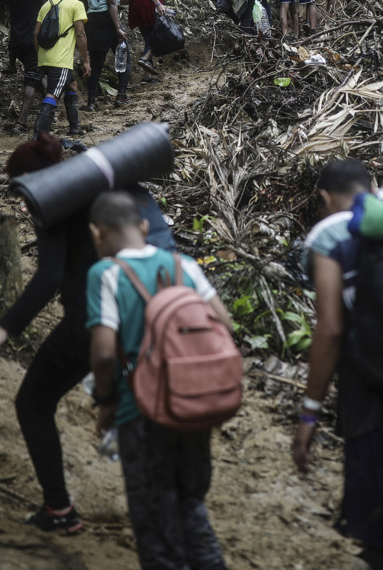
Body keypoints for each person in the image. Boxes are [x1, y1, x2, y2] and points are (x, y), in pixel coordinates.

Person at [0, 139, 175, 535]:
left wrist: (4, 327)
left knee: (33, 403)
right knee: (143, 413)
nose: (23, 200)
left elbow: (49, 276)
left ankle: (59, 510)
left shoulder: (51, 199)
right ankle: (169, 512)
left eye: (20, 189)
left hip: (92, 322)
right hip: (148, 319)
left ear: (28, 180)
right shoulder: (102, 188)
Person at [292, 160, 383, 570]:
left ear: (326, 197)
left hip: (374, 394)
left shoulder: (331, 234)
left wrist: (309, 414)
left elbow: (330, 329)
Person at [86, 190, 232, 570]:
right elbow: (225, 324)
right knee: (190, 503)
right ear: (143, 226)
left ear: (97, 232)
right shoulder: (184, 266)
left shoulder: (106, 274)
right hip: (191, 405)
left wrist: (107, 402)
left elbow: (103, 354)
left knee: (155, 518)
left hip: (141, 411)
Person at [5, 0, 72, 135]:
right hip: (34, 41)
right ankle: (21, 122)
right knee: (32, 78)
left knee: (38, 74)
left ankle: (51, 112)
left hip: (16, 43)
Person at [32, 0, 90, 138]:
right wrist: (86, 61)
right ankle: (39, 135)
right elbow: (80, 34)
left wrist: (40, 55)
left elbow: (36, 33)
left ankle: (75, 127)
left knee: (72, 85)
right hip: (61, 60)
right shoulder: (76, 4)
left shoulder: (47, 4)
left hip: (45, 58)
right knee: (53, 93)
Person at [80, 0, 127, 110]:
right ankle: (121, 95)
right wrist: (118, 27)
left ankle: (91, 101)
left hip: (92, 22)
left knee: (96, 63)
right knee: (123, 57)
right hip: (108, 20)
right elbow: (111, 3)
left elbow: (84, 6)